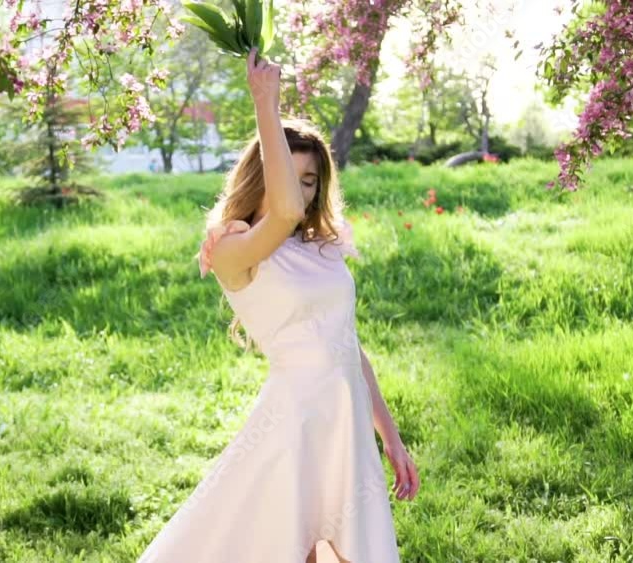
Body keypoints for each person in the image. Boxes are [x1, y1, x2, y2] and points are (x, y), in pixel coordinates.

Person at [136, 47, 420, 563]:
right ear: (260, 176)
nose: (298, 190)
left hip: (346, 421)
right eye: (286, 176)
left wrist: (391, 439)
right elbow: (284, 210)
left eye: (308, 180)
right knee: (287, 545)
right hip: (294, 420)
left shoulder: (320, 249)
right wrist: (265, 102)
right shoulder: (232, 248)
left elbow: (349, 347)